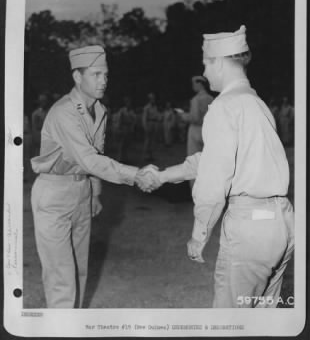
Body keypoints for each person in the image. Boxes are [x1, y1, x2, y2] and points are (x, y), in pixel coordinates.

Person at [140, 26, 294, 308]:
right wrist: (163, 176)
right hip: (279, 222)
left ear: (220, 62)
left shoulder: (224, 107)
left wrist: (199, 234)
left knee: (230, 324)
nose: (204, 70)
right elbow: (211, 159)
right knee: (263, 323)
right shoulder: (254, 104)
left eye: (205, 62)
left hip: (250, 227)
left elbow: (213, 181)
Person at [30, 45, 157, 308]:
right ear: (78, 77)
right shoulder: (63, 112)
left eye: (106, 75)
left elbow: (96, 153)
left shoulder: (99, 110)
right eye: (96, 74)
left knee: (79, 271)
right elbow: (89, 159)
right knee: (61, 278)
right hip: (54, 194)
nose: (103, 81)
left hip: (83, 191)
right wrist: (136, 174)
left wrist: (96, 193)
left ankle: (72, 326)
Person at [117, 96, 136, 163]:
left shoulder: (131, 111)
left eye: (129, 102)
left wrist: (132, 128)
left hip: (129, 128)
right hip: (123, 127)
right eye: (127, 102)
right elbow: (119, 120)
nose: (128, 103)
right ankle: (120, 158)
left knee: (127, 144)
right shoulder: (122, 110)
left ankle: (126, 158)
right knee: (122, 144)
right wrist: (119, 128)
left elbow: (134, 120)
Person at [142, 93, 160, 161]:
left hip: (154, 123)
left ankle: (151, 155)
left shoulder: (155, 107)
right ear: (149, 100)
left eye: (154, 99)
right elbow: (144, 118)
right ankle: (146, 156)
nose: (153, 100)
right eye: (152, 99)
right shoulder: (147, 107)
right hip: (149, 123)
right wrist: (145, 127)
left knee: (153, 141)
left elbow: (157, 116)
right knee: (147, 141)